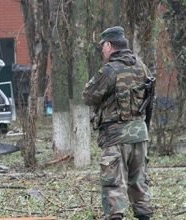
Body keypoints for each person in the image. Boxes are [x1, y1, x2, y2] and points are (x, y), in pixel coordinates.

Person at [83, 26, 154, 220]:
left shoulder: (109, 70)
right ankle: (145, 216)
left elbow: (89, 96)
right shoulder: (142, 66)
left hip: (115, 136)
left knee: (114, 183)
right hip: (140, 135)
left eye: (103, 46)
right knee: (139, 181)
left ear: (109, 45)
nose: (102, 51)